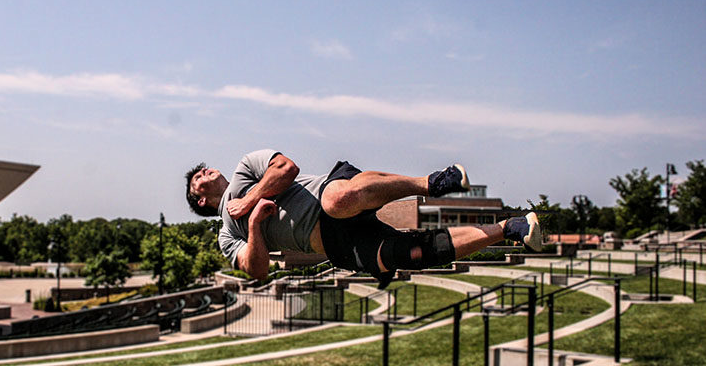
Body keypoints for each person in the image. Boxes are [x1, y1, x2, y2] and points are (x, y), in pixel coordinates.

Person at [185, 149, 541, 287]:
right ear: (200, 199)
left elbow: (287, 168)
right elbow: (256, 269)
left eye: (202, 169)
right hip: (337, 243)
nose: (203, 171)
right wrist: (253, 225)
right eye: (197, 178)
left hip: (328, 193)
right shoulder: (226, 236)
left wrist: (250, 198)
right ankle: (511, 227)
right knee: (411, 254)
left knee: (340, 199)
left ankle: (432, 183)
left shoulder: (246, 169)